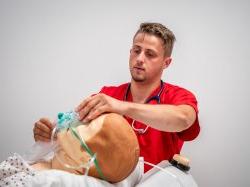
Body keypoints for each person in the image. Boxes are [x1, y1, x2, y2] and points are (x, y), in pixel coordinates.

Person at [33, 22, 200, 173]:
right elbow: (78, 140)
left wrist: (122, 107)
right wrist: (52, 136)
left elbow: (184, 119)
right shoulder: (107, 95)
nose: (140, 59)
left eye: (150, 54)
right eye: (136, 50)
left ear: (166, 63)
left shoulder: (178, 96)